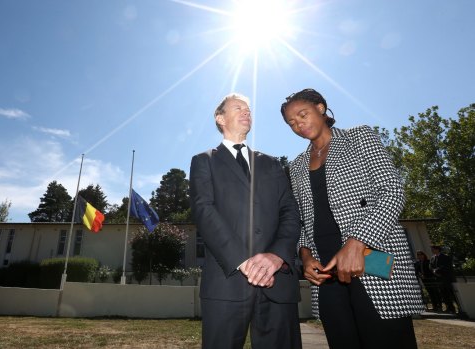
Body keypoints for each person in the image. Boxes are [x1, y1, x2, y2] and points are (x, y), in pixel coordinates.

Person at [280, 88, 424, 349]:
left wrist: (357, 242)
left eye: (303, 115)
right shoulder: (297, 165)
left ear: (321, 109)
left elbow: (392, 191)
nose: (298, 124)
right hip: (325, 274)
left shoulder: (359, 137)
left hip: (371, 261)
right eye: (292, 122)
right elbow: (300, 219)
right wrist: (305, 255)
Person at [190, 93, 302, 349]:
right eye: (238, 107)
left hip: (278, 282)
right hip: (225, 283)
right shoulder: (203, 161)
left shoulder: (272, 164)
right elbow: (204, 211)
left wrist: (276, 256)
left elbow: (290, 212)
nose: (246, 112)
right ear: (220, 118)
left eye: (249, 109)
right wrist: (244, 261)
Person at [430, 245, 456, 313]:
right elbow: (431, 266)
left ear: (437, 249)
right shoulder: (433, 258)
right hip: (438, 279)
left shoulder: (445, 257)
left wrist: (437, 270)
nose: (432, 251)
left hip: (446, 278)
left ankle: (454, 308)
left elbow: (446, 266)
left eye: (433, 249)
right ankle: (448, 307)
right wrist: (433, 271)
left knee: (450, 294)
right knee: (443, 294)